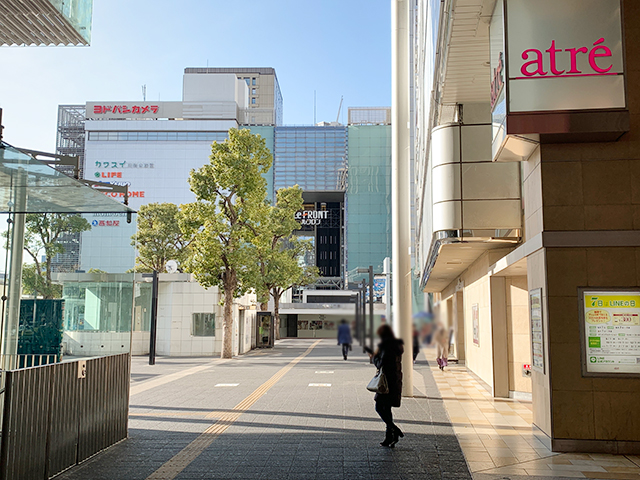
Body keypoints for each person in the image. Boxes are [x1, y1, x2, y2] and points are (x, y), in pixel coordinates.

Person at [366, 324, 404, 448]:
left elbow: (381, 364)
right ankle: (389, 437)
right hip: (394, 381)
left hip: (386, 383)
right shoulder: (397, 345)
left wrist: (373, 356)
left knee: (379, 407)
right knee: (387, 409)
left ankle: (395, 430)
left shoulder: (386, 347)